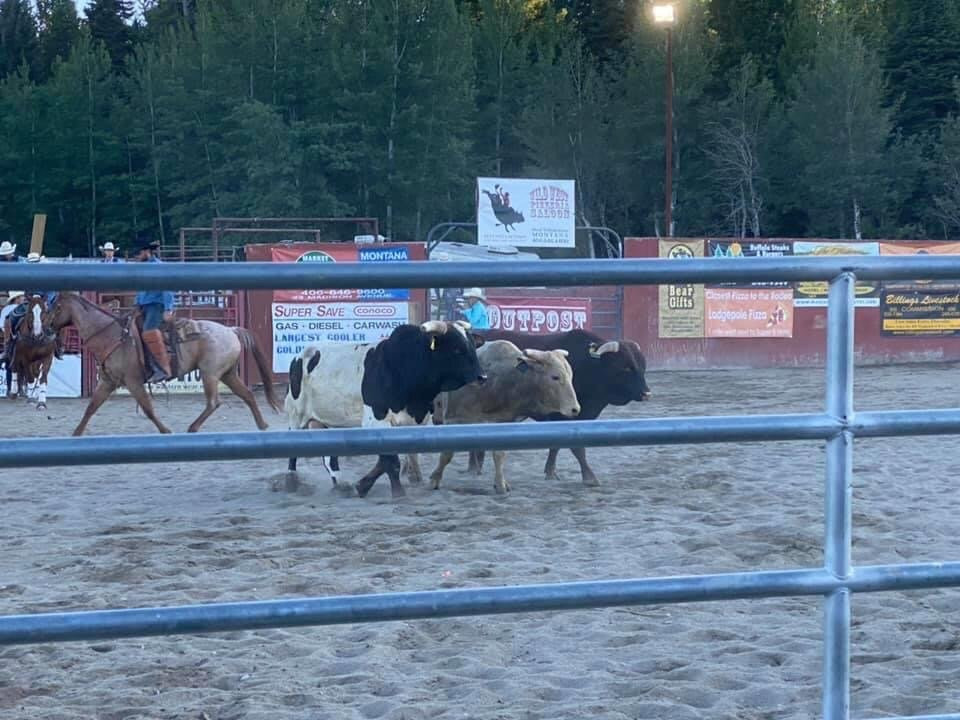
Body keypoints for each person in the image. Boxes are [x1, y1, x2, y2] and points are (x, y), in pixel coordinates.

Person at [134, 237, 175, 383]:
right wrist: (137, 304)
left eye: (138, 254)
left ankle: (162, 369)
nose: (137, 257)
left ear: (147, 252)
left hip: (156, 306)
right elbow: (140, 289)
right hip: (145, 306)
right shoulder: (143, 267)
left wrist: (168, 308)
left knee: (148, 331)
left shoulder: (158, 266)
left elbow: (167, 287)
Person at [0, 291, 27, 368]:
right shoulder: (8, 309)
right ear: (17, 298)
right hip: (12, 336)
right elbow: (3, 324)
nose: (24, 298)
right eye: (22, 296)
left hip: (22, 336)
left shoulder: (25, 308)